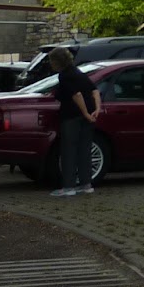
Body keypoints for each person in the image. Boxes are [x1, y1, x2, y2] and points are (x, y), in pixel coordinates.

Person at [48, 46, 101, 196]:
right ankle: (86, 184)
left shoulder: (65, 76)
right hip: (89, 115)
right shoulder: (79, 73)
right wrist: (96, 110)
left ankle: (68, 187)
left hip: (72, 116)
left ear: (57, 62)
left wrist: (84, 113)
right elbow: (95, 91)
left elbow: (76, 95)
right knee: (84, 150)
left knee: (69, 151)